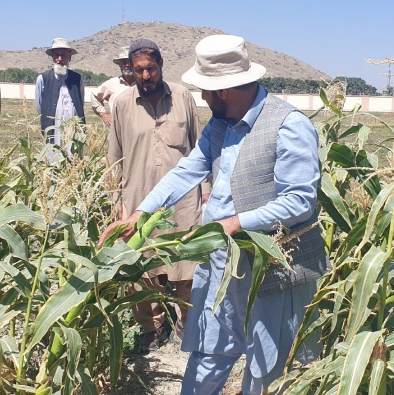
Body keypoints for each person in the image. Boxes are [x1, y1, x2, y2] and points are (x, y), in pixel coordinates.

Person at [100, 35, 328, 394]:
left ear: (223, 90)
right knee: (209, 350)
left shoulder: (288, 125)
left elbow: (300, 202)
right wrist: (141, 212)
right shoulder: (220, 125)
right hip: (222, 261)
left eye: (206, 91)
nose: (202, 98)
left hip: (273, 267)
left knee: (268, 365)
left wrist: (234, 223)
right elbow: (186, 171)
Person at [109, 38, 210, 352]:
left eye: (150, 68)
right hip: (139, 196)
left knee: (188, 265)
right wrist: (117, 200)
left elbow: (200, 148)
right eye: (139, 70)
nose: (145, 75)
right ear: (132, 70)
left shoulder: (182, 97)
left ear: (161, 66)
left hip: (184, 199)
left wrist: (205, 192)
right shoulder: (123, 103)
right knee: (143, 267)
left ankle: (187, 323)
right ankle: (152, 327)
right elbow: (115, 157)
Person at [35, 38, 85, 146]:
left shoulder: (77, 79)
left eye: (63, 55)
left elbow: (80, 103)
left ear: (70, 57)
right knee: (53, 156)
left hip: (73, 126)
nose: (59, 59)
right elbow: (40, 107)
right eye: (56, 55)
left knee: (73, 156)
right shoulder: (43, 79)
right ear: (52, 57)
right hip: (53, 127)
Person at [90, 46, 135, 127]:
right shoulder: (111, 84)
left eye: (130, 62)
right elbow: (94, 95)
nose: (127, 65)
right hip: (118, 131)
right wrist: (103, 115)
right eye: (124, 62)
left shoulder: (144, 84)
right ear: (119, 65)